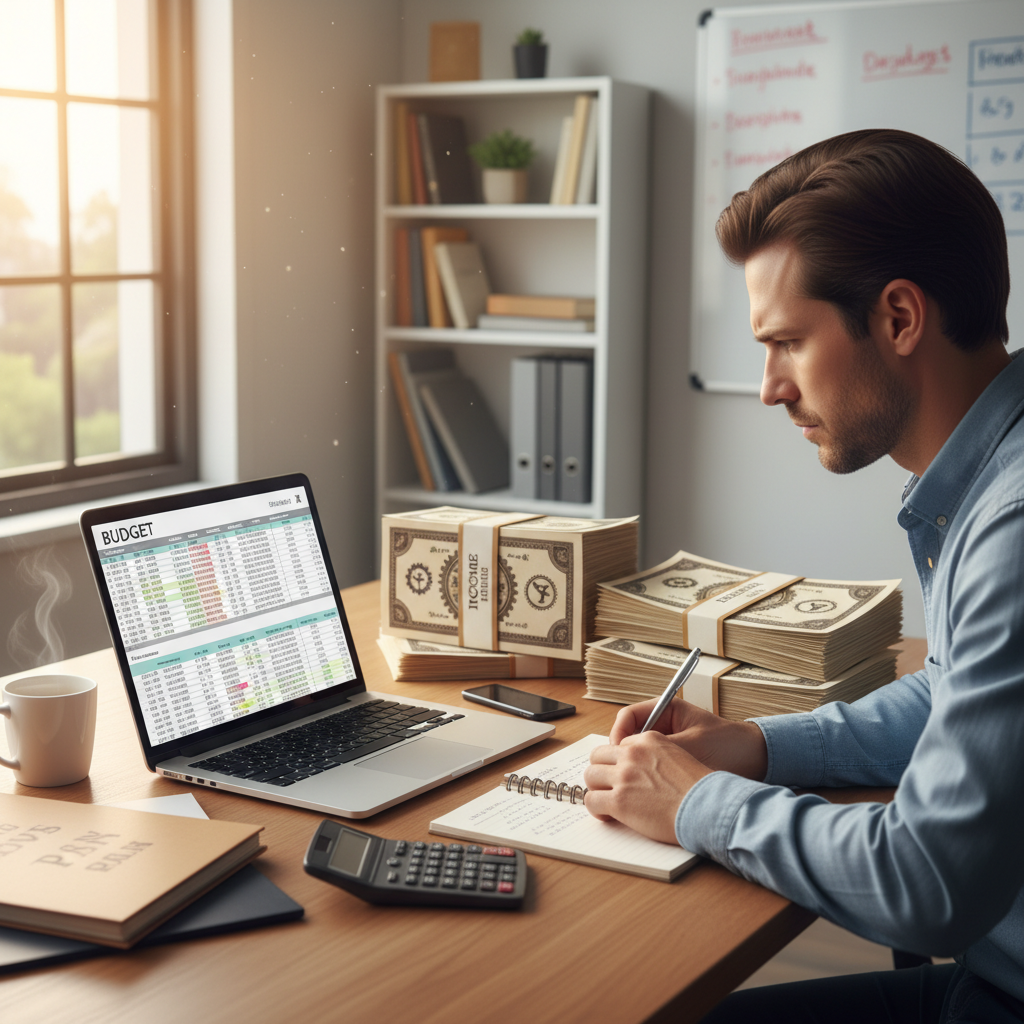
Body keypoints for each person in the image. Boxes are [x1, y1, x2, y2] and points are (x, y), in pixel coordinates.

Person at [583, 128, 1024, 1023]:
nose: (769, 388)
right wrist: (761, 747)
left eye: (786, 342)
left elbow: (928, 882)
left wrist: (699, 802)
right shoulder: (990, 472)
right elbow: (950, 691)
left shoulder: (1013, 528)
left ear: (900, 318)